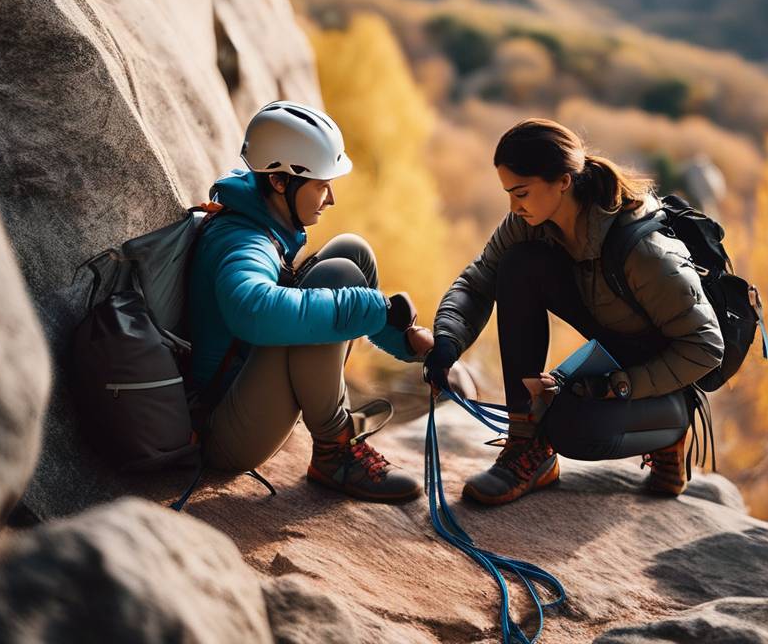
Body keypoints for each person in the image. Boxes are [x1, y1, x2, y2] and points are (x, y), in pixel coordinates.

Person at [424, 119, 725, 505]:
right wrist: (448, 342)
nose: (514, 207)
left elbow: (705, 347)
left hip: (658, 373)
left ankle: (671, 429)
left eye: (522, 193)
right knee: (518, 264)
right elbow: (478, 281)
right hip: (610, 346)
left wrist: (620, 385)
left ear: (563, 181)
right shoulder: (529, 223)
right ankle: (525, 445)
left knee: (570, 428)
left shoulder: (644, 251)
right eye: (509, 193)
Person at [187, 100, 433, 502]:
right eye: (321, 185)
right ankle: (336, 451)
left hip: (245, 392)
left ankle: (336, 433)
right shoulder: (243, 239)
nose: (330, 197)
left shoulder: (258, 216)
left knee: (352, 253)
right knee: (337, 279)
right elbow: (253, 310)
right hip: (223, 430)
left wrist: (406, 341)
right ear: (281, 182)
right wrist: (374, 307)